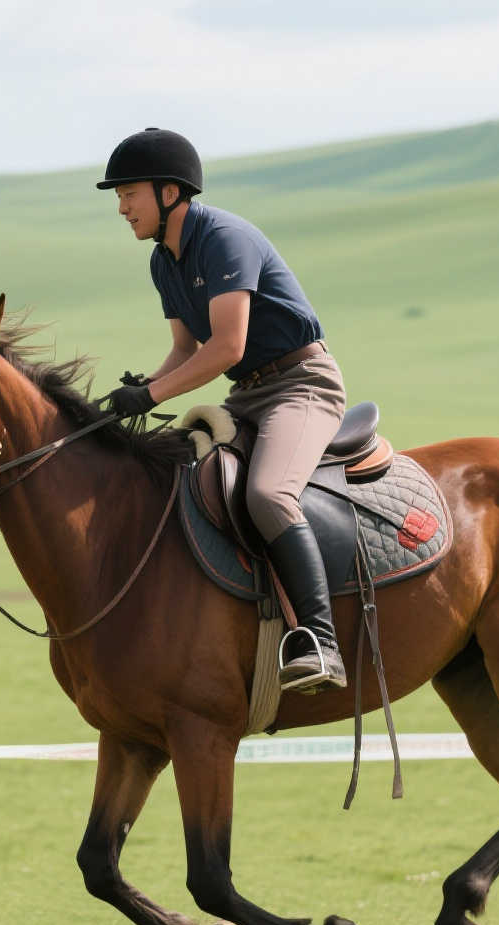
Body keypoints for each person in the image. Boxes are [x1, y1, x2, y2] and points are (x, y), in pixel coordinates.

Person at [95, 127, 349, 693]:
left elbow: (227, 346)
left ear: (168, 193)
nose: (120, 208)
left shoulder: (224, 239)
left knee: (267, 494)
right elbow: (185, 351)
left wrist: (155, 395)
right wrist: (129, 398)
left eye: (128, 194)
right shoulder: (164, 261)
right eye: (118, 197)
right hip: (247, 393)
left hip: (301, 385)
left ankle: (321, 641)